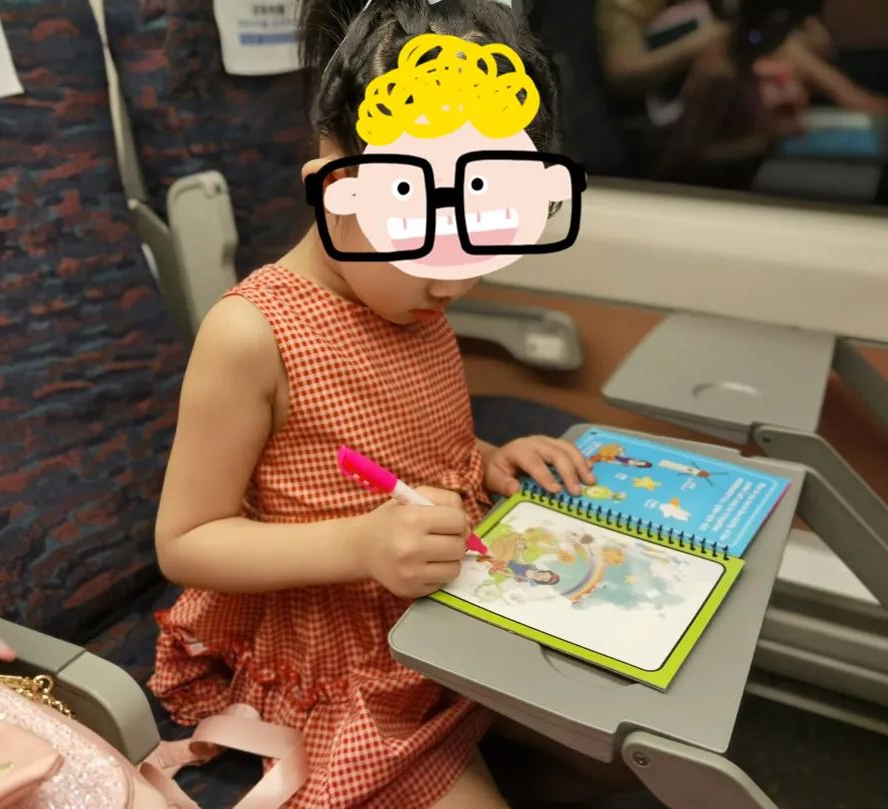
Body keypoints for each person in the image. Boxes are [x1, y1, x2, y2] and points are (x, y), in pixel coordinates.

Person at [145, 1, 595, 807]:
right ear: (337, 183)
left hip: (450, 611)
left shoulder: (413, 296)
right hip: (346, 668)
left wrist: (489, 459)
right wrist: (361, 544)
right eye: (420, 231)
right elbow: (185, 542)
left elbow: (402, 446)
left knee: (615, 746)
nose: (456, 280)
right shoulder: (252, 334)